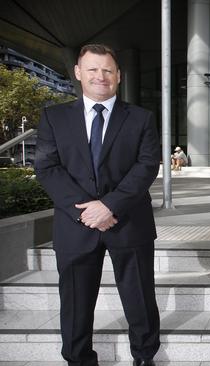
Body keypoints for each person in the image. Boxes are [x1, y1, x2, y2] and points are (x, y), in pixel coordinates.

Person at [35, 44, 160, 366]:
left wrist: (110, 206)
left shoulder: (141, 118)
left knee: (139, 298)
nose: (100, 76)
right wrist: (89, 212)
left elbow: (147, 166)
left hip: (129, 222)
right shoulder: (54, 117)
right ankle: (78, 359)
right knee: (75, 302)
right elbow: (47, 168)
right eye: (92, 69)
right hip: (75, 226)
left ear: (118, 76)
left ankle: (144, 357)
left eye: (107, 70)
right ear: (78, 73)